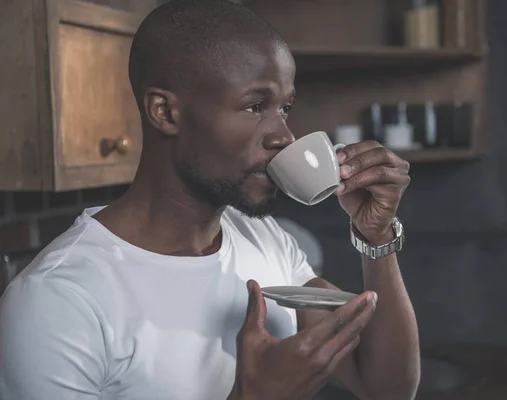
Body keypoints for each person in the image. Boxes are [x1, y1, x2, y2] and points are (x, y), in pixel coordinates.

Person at [0, 0, 420, 399]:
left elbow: (387, 389)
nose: (284, 136)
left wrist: (377, 237)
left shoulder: (265, 240)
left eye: (285, 106)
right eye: (255, 106)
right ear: (165, 112)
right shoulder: (58, 300)